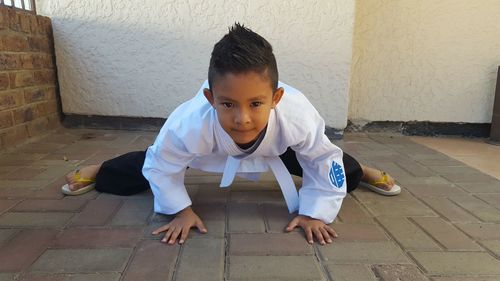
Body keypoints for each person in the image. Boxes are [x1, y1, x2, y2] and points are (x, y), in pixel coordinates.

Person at [61, 23, 401, 246]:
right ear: (210, 99)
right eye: (228, 103)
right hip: (210, 145)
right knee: (150, 162)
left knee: (336, 164)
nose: (242, 118)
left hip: (274, 144)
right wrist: (180, 210)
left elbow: (320, 158)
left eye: (256, 103)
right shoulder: (190, 123)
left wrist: (314, 211)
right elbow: (164, 165)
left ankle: (366, 171)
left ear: (276, 98)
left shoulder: (296, 114)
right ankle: (101, 169)